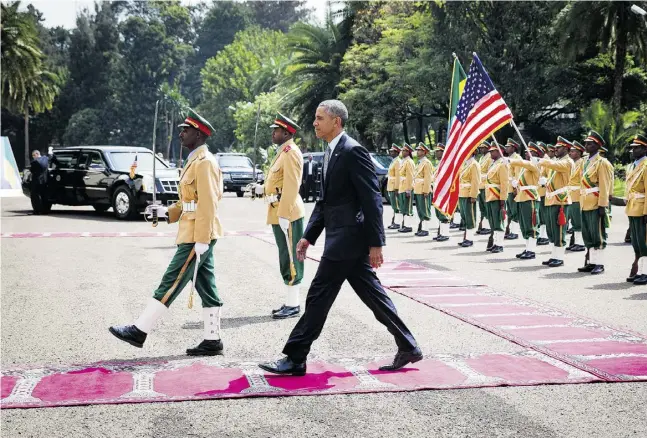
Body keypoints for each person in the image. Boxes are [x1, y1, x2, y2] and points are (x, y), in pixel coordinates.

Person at [258, 100, 422, 376]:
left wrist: (376, 243)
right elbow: (325, 202)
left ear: (336, 122)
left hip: (348, 239)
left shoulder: (352, 151)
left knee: (318, 296)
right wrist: (308, 236)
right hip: (340, 237)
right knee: (374, 296)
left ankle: (295, 357)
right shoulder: (331, 152)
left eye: (320, 118)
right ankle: (408, 346)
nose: (314, 123)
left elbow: (372, 200)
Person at [109, 108, 225, 356]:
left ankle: (140, 329)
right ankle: (212, 339)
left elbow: (208, 203)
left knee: (171, 281)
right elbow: (188, 202)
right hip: (193, 231)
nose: (181, 133)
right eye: (182, 129)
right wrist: (164, 213)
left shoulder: (205, 163)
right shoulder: (194, 161)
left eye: (186, 130)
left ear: (199, 134)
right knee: (207, 286)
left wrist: (203, 239)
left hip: (197, 235)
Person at [260, 113, 306, 319]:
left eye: (276, 130)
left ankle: (294, 304)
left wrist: (285, 213)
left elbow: (292, 185)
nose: (273, 133)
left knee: (291, 257)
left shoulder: (291, 152)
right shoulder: (282, 152)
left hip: (287, 212)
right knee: (284, 255)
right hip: (278, 210)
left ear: (287, 133)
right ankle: (290, 301)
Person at [577, 131, 614, 275]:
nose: (586, 145)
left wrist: (602, 205)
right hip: (585, 202)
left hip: (596, 202)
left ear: (597, 146)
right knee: (588, 234)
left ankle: (600, 263)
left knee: (598, 234)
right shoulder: (586, 162)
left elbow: (604, 185)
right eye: (586, 143)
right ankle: (592, 262)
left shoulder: (602, 163)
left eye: (590, 144)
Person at [539, 137, 574, 268]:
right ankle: (554, 255)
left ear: (565, 149)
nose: (555, 150)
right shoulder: (557, 162)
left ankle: (559, 258)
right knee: (552, 230)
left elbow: (555, 166)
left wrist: (541, 160)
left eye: (558, 148)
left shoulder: (567, 162)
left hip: (561, 200)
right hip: (551, 199)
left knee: (559, 230)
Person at [509, 143, 541, 259]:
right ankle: (527, 248)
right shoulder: (525, 168)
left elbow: (523, 163)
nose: (527, 153)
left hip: (530, 197)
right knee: (524, 225)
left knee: (531, 225)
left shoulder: (534, 165)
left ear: (536, 154)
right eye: (527, 151)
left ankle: (531, 250)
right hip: (522, 196)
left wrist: (511, 161)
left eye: (530, 151)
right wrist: (516, 183)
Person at [625, 134, 647, 285]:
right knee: (636, 241)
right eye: (632, 148)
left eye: (637, 148)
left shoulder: (645, 166)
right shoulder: (632, 166)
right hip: (632, 207)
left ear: (644, 149)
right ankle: (639, 269)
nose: (633, 150)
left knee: (644, 241)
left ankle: (645, 272)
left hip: (642, 208)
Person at [484, 144, 509, 253]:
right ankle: (495, 242)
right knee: (492, 221)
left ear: (499, 152)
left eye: (493, 151)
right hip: (490, 196)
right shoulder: (493, 164)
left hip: (497, 196)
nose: (491, 153)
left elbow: (504, 183)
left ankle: (499, 244)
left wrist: (502, 200)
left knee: (498, 221)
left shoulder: (502, 164)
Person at [457, 148, 480, 247]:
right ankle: (466, 237)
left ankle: (469, 239)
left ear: (473, 152)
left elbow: (475, 181)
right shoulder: (465, 164)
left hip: (468, 194)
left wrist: (473, 195)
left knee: (470, 217)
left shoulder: (474, 164)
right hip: (461, 193)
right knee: (464, 216)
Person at [566, 141, 586, 252]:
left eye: (573, 151)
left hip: (578, 195)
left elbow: (583, 180)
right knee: (574, 221)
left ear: (579, 152)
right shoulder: (572, 163)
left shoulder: (582, 163)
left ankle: (580, 243)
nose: (570, 153)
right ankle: (576, 242)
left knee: (578, 221)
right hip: (571, 195)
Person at [413, 142, 434, 236]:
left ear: (424, 152)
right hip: (417, 189)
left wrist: (426, 190)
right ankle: (421, 227)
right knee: (420, 209)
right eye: (417, 150)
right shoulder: (419, 162)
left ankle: (425, 229)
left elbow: (428, 178)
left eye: (420, 150)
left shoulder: (426, 163)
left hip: (423, 189)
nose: (418, 152)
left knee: (425, 209)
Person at [432, 143, 451, 241]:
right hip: (437, 191)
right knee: (438, 213)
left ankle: (445, 234)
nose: (436, 153)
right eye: (436, 151)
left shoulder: (446, 164)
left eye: (439, 151)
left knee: (443, 214)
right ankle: (441, 232)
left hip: (443, 192)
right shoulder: (438, 163)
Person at [504, 139, 522, 240]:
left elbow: (517, 175)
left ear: (513, 148)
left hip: (513, 188)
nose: (506, 148)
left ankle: (515, 232)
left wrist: (516, 188)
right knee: (510, 211)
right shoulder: (508, 158)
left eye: (508, 146)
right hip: (508, 188)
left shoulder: (517, 158)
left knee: (514, 211)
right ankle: (510, 229)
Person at [397, 143, 415, 232]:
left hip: (406, 187)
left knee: (408, 208)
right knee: (403, 207)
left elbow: (410, 176)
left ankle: (408, 226)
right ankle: (404, 224)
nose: (402, 152)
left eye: (404, 151)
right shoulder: (403, 161)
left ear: (408, 152)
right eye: (402, 150)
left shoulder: (409, 162)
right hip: (401, 186)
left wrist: (409, 189)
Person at [476, 142, 492, 235]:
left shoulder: (489, 158)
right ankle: (483, 225)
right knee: (482, 207)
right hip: (480, 186)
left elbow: (490, 172)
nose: (481, 149)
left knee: (486, 207)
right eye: (480, 148)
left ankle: (487, 226)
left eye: (483, 148)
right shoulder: (482, 158)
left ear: (487, 148)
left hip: (486, 185)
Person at [386, 144, 402, 229]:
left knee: (396, 205)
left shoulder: (398, 162)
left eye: (392, 151)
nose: (390, 152)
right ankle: (395, 221)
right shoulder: (394, 161)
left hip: (394, 186)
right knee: (394, 205)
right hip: (390, 185)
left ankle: (397, 222)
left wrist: (397, 188)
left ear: (396, 152)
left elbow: (398, 176)